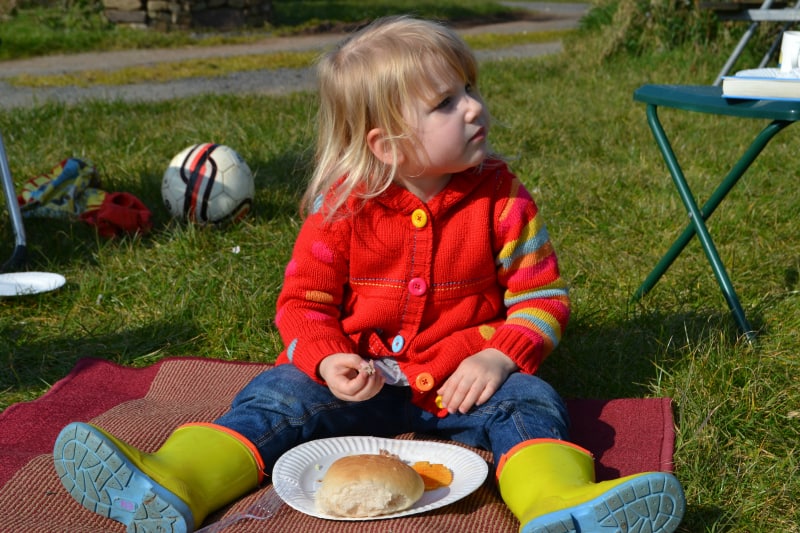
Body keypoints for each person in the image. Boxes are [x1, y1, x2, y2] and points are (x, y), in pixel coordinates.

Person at [53, 15, 686, 533]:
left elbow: (541, 297)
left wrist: (499, 358)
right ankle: (176, 482)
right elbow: (302, 304)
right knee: (278, 398)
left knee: (531, 403)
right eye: (446, 102)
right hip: (360, 378)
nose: (473, 108)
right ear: (385, 145)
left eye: (470, 89)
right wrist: (328, 360)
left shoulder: (502, 197)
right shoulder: (343, 207)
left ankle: (556, 504)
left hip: (466, 381)